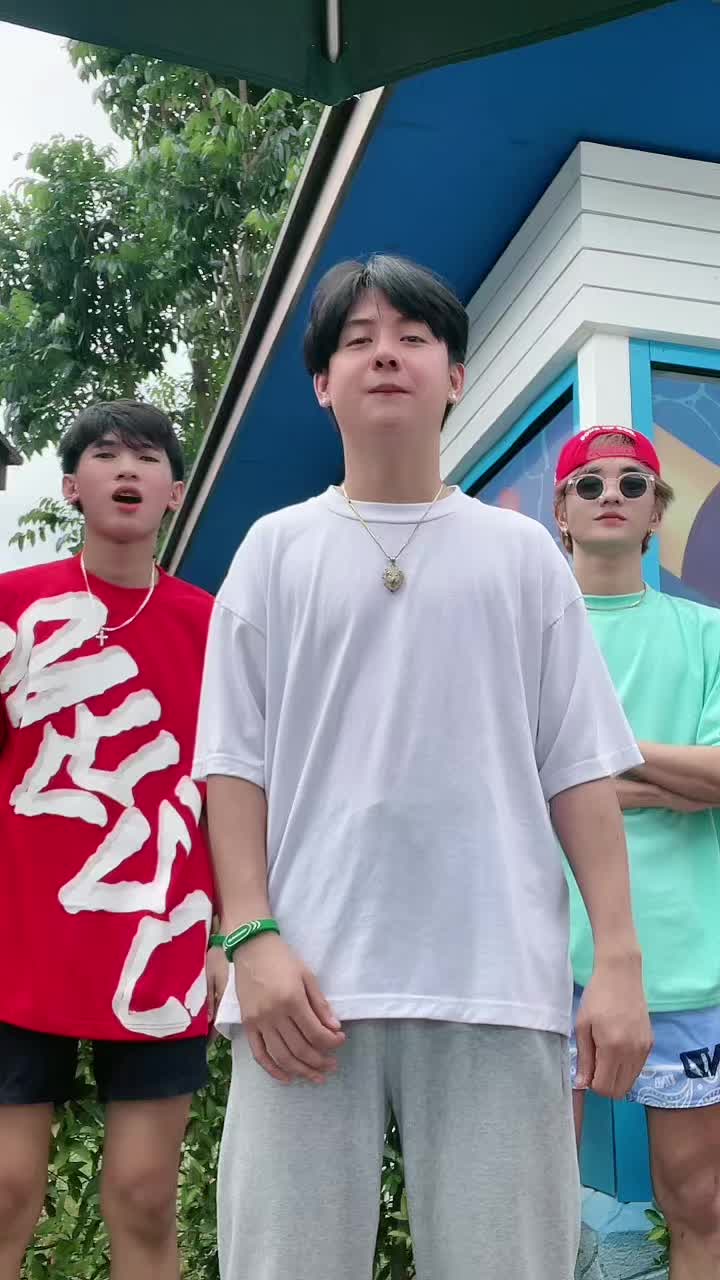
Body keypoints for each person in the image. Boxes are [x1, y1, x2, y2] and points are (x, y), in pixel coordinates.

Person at [194, 256, 652, 1280]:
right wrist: (250, 934)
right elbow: (232, 766)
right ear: (322, 383)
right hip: (302, 990)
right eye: (357, 340)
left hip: (498, 980)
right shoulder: (273, 552)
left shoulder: (523, 555)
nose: (386, 354)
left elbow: (578, 769)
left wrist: (619, 958)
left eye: (413, 336)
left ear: (455, 374)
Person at [0, 400, 225, 1280]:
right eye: (105, 454)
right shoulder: (16, 609)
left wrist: (234, 927)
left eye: (147, 457)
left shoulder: (214, 626)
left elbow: (236, 791)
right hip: (21, 936)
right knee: (6, 1188)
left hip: (161, 941)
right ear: (71, 487)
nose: (127, 469)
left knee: (143, 1192)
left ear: (174, 493)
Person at [555, 425, 720, 1280]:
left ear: (658, 512)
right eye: (589, 484)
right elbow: (496, 779)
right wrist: (668, 780)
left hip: (681, 956)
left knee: (700, 1199)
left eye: (632, 483)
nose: (610, 495)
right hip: (537, 956)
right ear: (562, 512)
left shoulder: (707, 633)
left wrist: (579, 768)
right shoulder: (529, 634)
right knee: (532, 1203)